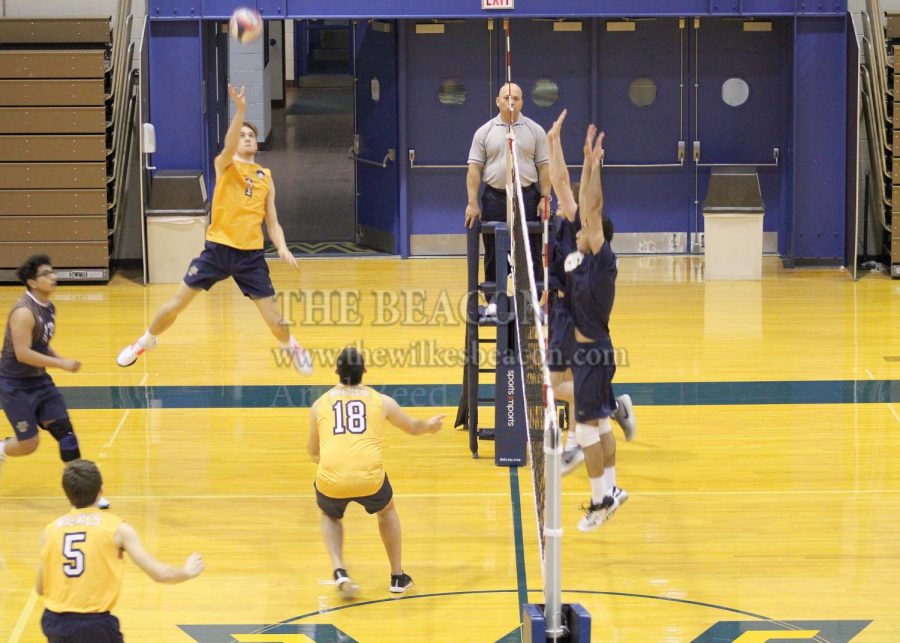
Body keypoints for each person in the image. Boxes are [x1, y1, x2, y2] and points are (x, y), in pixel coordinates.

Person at [116, 84, 312, 375]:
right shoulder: (225, 165)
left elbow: (273, 222)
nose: (246, 139)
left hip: (251, 257)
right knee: (175, 306)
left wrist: (281, 246)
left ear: (257, 144)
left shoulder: (265, 178)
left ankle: (291, 346)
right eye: (242, 135)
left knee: (275, 321)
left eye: (250, 136)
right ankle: (145, 341)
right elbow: (229, 143)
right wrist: (241, 110)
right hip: (217, 251)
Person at [308, 347, 444, 598]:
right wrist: (430, 426)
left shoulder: (319, 404)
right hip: (370, 478)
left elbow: (312, 450)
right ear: (365, 372)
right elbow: (413, 428)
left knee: (330, 513)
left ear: (336, 372)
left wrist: (328, 461)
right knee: (387, 511)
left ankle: (339, 569)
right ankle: (397, 576)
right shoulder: (381, 401)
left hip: (330, 478)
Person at [547, 110, 627, 532]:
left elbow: (591, 210)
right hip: (590, 352)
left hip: (594, 354)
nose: (576, 229)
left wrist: (595, 165)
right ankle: (612, 489)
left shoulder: (601, 260)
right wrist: (582, 157)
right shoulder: (584, 258)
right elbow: (574, 196)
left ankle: (600, 502)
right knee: (596, 422)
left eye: (584, 230)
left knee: (586, 433)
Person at [37, 459, 204, 642]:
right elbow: (161, 574)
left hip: (53, 622)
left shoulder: (50, 530)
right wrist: (187, 572)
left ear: (67, 494)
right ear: (101, 491)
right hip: (92, 625)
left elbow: (40, 588)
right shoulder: (117, 528)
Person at [0, 255, 107, 509]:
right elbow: (23, 353)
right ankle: (3, 448)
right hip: (15, 386)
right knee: (29, 444)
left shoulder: (48, 307)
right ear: (32, 282)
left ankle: (87, 495)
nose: (53, 277)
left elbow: (42, 346)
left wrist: (61, 359)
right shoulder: (24, 312)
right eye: (46, 274)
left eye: (52, 272)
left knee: (66, 434)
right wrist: (61, 364)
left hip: (39, 382)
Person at [465, 82, 550, 317]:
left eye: (516, 98)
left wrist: (545, 197)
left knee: (529, 249)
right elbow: (474, 170)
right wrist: (473, 203)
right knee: (493, 249)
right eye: (506, 97)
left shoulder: (535, 131)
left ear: (522, 102)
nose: (511, 102)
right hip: (495, 197)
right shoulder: (485, 132)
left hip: (527, 196)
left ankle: (531, 300)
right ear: (497, 101)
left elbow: (544, 167)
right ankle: (493, 300)